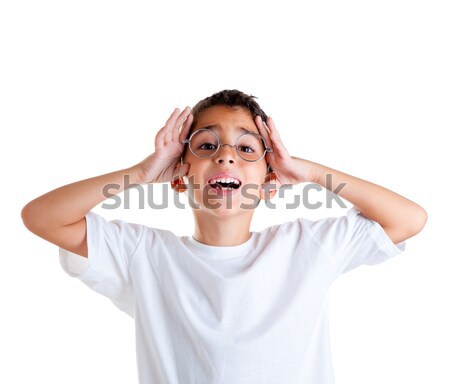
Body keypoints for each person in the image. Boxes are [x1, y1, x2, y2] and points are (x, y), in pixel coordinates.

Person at [21, 89, 427, 384]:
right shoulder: (142, 255)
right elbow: (42, 217)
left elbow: (408, 219)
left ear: (270, 178)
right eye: (207, 145)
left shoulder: (307, 247)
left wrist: (311, 173)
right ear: (180, 177)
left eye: (247, 148)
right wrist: (141, 174)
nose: (226, 155)